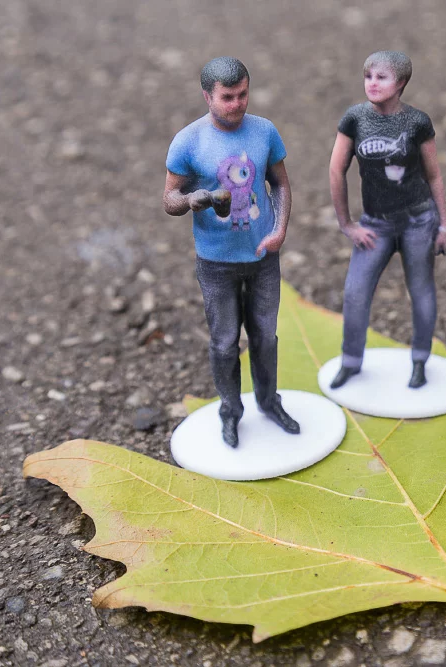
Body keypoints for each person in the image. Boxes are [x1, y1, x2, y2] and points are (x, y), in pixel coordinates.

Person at [163, 56, 299, 448]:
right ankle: (230, 411)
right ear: (207, 96)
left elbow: (281, 185)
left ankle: (269, 402)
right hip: (216, 261)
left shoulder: (264, 131)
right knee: (224, 342)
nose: (237, 103)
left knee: (266, 338)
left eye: (243, 94)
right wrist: (195, 199)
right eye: (227, 97)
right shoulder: (189, 141)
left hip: (261, 258)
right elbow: (169, 200)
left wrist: (279, 230)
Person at [328, 51, 446, 390]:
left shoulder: (417, 122)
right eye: (368, 76)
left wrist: (443, 224)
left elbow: (435, 175)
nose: (372, 83)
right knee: (355, 292)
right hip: (376, 223)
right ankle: (351, 362)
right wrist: (347, 223)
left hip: (417, 220)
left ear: (400, 83)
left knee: (421, 291)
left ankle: (420, 360)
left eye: (381, 77)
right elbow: (336, 170)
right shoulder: (354, 119)